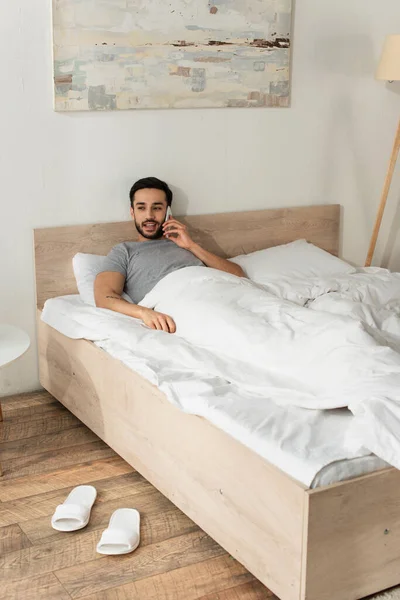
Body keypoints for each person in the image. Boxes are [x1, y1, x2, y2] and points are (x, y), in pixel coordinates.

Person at [94, 177, 245, 333]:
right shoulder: (124, 251)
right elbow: (103, 297)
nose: (149, 215)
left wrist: (191, 246)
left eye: (157, 208)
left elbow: (238, 275)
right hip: (187, 305)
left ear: (168, 211)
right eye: (141, 208)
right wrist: (144, 312)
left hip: (221, 293)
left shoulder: (186, 244)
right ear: (132, 212)